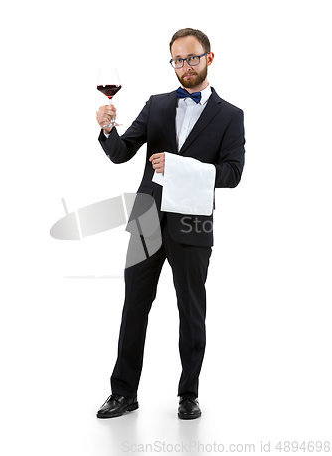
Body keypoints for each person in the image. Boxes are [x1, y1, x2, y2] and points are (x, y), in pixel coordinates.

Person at [95, 28, 245, 419]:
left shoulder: (230, 116)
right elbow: (122, 153)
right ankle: (124, 393)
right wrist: (109, 130)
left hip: (193, 225)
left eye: (192, 58)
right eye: (178, 59)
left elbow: (232, 173)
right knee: (134, 307)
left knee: (191, 309)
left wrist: (180, 168)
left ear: (209, 58)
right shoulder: (158, 104)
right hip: (146, 219)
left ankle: (188, 394)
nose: (185, 66)